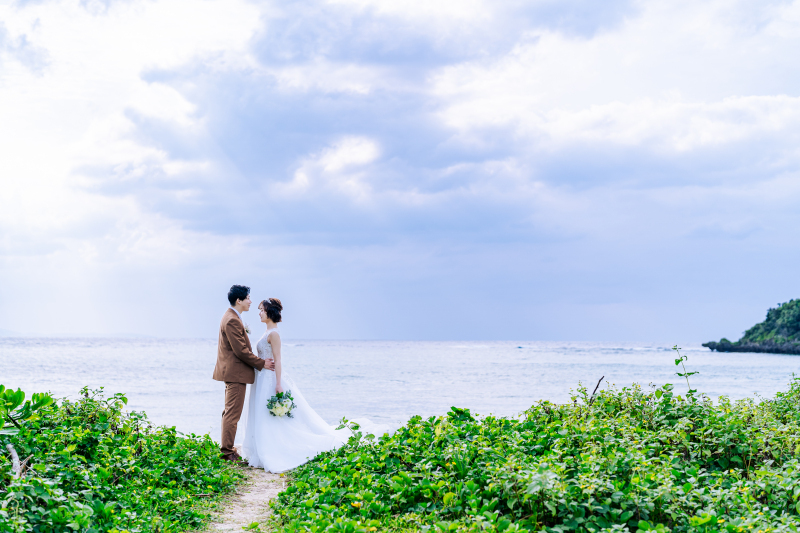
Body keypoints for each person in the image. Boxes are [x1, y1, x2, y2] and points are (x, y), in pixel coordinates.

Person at [237, 298, 387, 472]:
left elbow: (278, 360)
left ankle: (273, 449)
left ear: (270, 312)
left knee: (271, 415)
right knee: (262, 413)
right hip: (262, 378)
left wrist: (278, 384)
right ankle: (261, 447)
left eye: (262, 310)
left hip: (270, 379)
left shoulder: (274, 334)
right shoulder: (267, 331)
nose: (259, 313)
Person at [212, 285, 275, 463]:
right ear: (238, 300)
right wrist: (261, 363)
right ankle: (227, 453)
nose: (250, 301)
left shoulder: (232, 316)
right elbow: (240, 351)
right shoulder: (232, 319)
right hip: (235, 373)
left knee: (229, 412)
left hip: (233, 372)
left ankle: (227, 448)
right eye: (248, 298)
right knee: (232, 414)